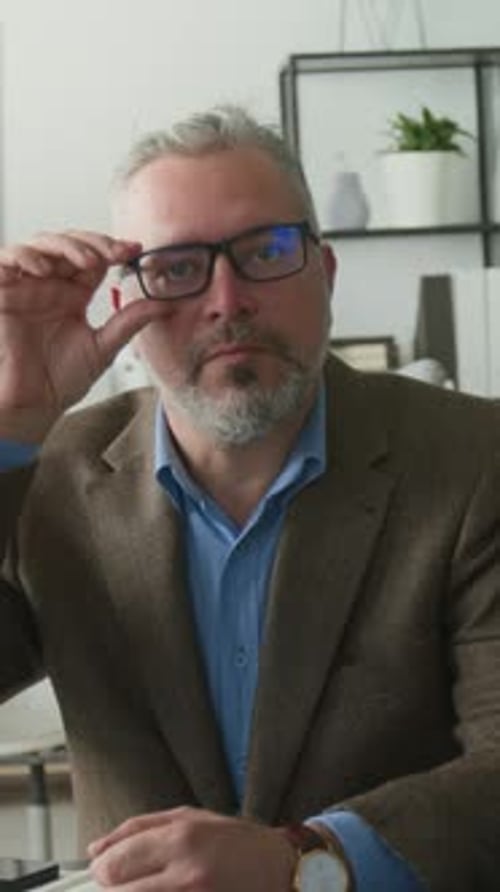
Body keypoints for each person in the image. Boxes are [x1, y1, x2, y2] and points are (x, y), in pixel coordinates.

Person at [0, 105, 499, 892]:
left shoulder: (475, 460)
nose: (226, 300)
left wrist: (301, 861)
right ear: (122, 299)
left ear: (326, 272)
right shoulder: (48, 475)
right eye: (176, 268)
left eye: (266, 251)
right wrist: (9, 432)